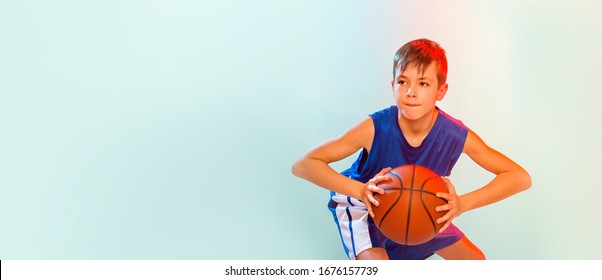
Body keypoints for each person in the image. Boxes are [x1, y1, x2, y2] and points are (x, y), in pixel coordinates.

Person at [291, 38, 531, 260]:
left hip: (418, 205)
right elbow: (304, 165)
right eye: (403, 82)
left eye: (423, 83)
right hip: (363, 203)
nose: (410, 92)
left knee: (475, 262)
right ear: (393, 85)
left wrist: (463, 203)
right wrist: (361, 190)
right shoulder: (374, 128)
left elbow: (519, 177)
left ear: (441, 91)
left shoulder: (454, 134)